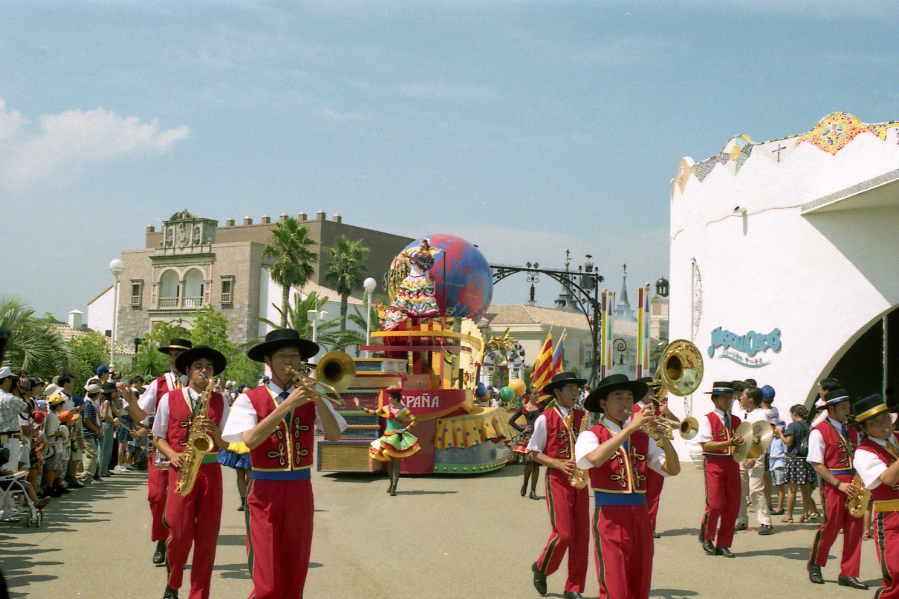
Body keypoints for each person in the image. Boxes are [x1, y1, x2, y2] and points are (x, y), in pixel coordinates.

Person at [221, 328, 346, 599]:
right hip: (264, 490)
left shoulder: (309, 395)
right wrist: (286, 405)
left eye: (295, 355)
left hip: (301, 490)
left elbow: (334, 435)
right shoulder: (248, 399)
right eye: (283, 356)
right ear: (268, 360)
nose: (290, 361)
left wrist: (317, 398)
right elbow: (251, 440)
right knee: (267, 584)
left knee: (294, 577)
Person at [575, 374, 680, 599]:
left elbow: (672, 469)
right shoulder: (591, 435)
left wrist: (666, 439)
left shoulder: (643, 438)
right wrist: (630, 429)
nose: (625, 403)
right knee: (615, 587)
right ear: (603, 404)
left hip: (641, 516)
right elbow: (594, 459)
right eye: (618, 397)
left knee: (640, 583)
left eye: (629, 397)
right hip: (610, 516)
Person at [153, 345, 230, 599]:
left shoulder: (221, 400)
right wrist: (172, 454)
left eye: (208, 366)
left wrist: (217, 433)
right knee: (181, 533)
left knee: (207, 539)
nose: (204, 370)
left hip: (210, 470)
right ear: (187, 370)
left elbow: (228, 443)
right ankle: (173, 583)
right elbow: (157, 436)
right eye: (198, 366)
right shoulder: (170, 398)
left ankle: (199, 594)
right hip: (182, 469)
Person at [528, 371, 589, 599]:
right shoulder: (546, 417)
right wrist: (557, 463)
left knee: (581, 536)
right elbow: (534, 453)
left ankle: (573, 588)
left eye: (577, 389)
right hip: (558, 480)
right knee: (564, 534)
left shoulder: (583, 416)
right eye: (571, 389)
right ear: (557, 391)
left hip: (580, 481)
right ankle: (541, 567)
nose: (576, 393)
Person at [131, 338, 191, 565]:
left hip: (188, 449)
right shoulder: (159, 383)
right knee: (157, 497)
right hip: (161, 448)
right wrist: (129, 399)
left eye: (179, 354)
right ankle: (160, 539)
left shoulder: (196, 383)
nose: (174, 358)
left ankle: (177, 544)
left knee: (183, 499)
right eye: (171, 354)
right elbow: (140, 415)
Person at [806, 388, 866, 589]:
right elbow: (816, 463)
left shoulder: (852, 430)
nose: (848, 411)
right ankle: (815, 564)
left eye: (848, 406)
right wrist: (839, 484)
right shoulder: (818, 431)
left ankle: (848, 574)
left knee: (854, 529)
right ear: (831, 409)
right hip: (835, 484)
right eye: (843, 407)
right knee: (831, 526)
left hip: (854, 483)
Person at [853, 394, 899, 598]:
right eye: (875, 422)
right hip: (890, 518)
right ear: (864, 428)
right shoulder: (864, 452)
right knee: (896, 573)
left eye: (885, 418)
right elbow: (888, 478)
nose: (883, 425)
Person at [696, 381, 744, 557]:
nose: (727, 400)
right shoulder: (707, 419)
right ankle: (707, 538)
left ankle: (724, 543)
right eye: (723, 397)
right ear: (714, 399)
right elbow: (705, 445)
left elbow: (742, 445)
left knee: (733, 506)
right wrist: (728, 443)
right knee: (715, 504)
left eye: (729, 397)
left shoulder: (737, 420)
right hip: (714, 463)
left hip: (732, 463)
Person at [632, 376, 679, 537]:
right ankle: (637, 524)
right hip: (637, 455)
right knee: (637, 491)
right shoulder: (632, 410)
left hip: (657, 453)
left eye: (653, 390)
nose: (652, 393)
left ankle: (649, 526)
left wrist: (669, 413)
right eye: (649, 390)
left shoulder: (659, 407)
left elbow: (678, 425)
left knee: (654, 493)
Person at [354, 386, 419, 496]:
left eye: (390, 397)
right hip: (386, 437)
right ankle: (391, 483)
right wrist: (360, 406)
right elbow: (373, 412)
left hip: (396, 438)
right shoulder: (387, 408)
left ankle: (394, 486)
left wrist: (403, 429)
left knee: (396, 462)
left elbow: (415, 421)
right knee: (389, 462)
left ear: (396, 398)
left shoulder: (404, 410)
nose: (388, 399)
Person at [736, 387, 774, 535]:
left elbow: (763, 439)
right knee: (740, 489)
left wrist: (754, 456)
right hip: (741, 456)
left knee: (755, 489)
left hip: (754, 456)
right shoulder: (742, 414)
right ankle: (742, 519)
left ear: (751, 398)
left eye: (744, 395)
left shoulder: (760, 416)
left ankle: (765, 522)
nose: (741, 397)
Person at [382, 238, 442, 330]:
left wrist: (408, 256)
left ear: (427, 248)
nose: (421, 248)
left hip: (420, 279)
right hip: (411, 278)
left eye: (423, 246)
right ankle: (404, 317)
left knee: (420, 298)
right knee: (406, 297)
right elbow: (410, 260)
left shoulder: (427, 256)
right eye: (421, 246)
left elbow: (418, 259)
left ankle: (420, 319)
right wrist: (401, 258)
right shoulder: (414, 253)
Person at [782, 405, 820, 523]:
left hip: (795, 459)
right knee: (806, 491)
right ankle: (805, 516)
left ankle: (789, 516)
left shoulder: (792, 426)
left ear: (794, 414)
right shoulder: (808, 426)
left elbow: (788, 442)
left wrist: (780, 433)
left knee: (792, 489)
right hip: (806, 459)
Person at [509, 386, 543, 500]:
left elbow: (553, 396)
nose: (537, 395)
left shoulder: (540, 406)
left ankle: (533, 491)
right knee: (529, 464)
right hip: (529, 438)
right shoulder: (524, 408)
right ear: (528, 395)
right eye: (535, 393)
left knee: (537, 465)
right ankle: (525, 483)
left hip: (539, 438)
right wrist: (522, 430)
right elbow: (511, 421)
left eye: (537, 393)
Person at [78, 384, 103, 485]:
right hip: (87, 433)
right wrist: (95, 429)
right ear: (97, 393)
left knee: (87, 455)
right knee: (91, 455)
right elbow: (86, 420)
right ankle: (87, 477)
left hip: (89, 433)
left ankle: (81, 476)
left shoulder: (90, 403)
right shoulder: (88, 404)